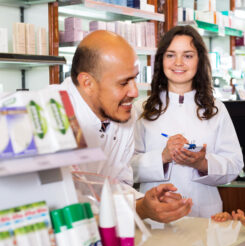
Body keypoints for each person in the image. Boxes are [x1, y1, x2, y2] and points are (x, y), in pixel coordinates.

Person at [58, 30, 192, 223]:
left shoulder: (123, 114)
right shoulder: (51, 114)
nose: (134, 91)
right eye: (123, 83)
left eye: (135, 78)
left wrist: (145, 203)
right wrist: (139, 208)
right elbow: (62, 200)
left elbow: (118, 182)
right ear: (87, 83)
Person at [131, 25, 243, 217]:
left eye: (188, 56)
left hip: (203, 213)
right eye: (171, 55)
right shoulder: (141, 109)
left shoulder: (216, 109)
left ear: (199, 60)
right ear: (161, 60)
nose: (179, 63)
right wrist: (163, 157)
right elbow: (125, 167)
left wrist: (202, 163)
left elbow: (234, 166)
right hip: (155, 213)